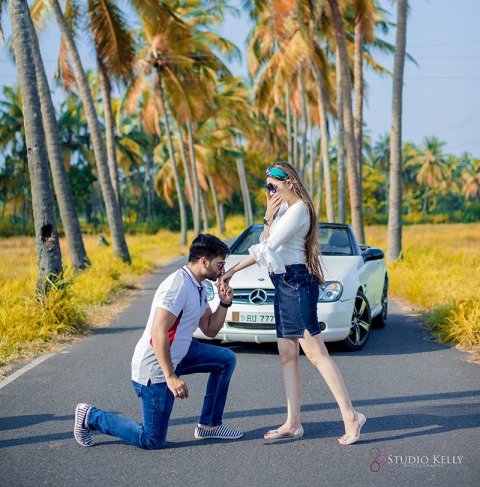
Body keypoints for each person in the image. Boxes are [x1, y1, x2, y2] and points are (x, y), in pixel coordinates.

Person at [220, 161, 366, 445]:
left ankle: (351, 416)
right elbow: (266, 243)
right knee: (287, 355)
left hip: (297, 285)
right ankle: (293, 423)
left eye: (273, 185)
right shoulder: (285, 210)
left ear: (289, 182)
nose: (270, 190)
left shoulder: (299, 209)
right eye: (267, 187)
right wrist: (267, 216)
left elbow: (267, 247)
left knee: (316, 354)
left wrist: (232, 271)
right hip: (283, 284)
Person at [74, 233, 243, 449]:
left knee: (225, 359)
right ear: (203, 262)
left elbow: (210, 329)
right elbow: (158, 331)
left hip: (179, 354)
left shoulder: (199, 286)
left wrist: (224, 303)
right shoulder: (178, 286)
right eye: (220, 264)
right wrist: (171, 376)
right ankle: (91, 416)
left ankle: (209, 425)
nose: (222, 270)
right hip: (156, 366)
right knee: (152, 440)